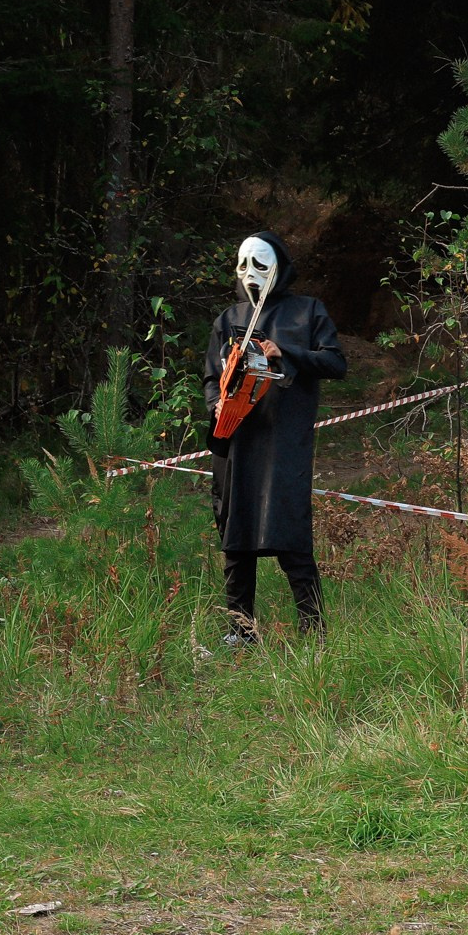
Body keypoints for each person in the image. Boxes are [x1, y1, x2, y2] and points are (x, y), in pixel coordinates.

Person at [203, 231, 347, 641]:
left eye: (260, 265)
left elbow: (336, 362)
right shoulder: (228, 320)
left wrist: (285, 351)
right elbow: (212, 378)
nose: (251, 275)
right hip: (236, 441)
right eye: (244, 265)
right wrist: (215, 403)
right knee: (236, 538)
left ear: (279, 268)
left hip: (284, 441)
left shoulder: (307, 312)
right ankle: (240, 631)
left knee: (289, 532)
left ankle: (314, 630)